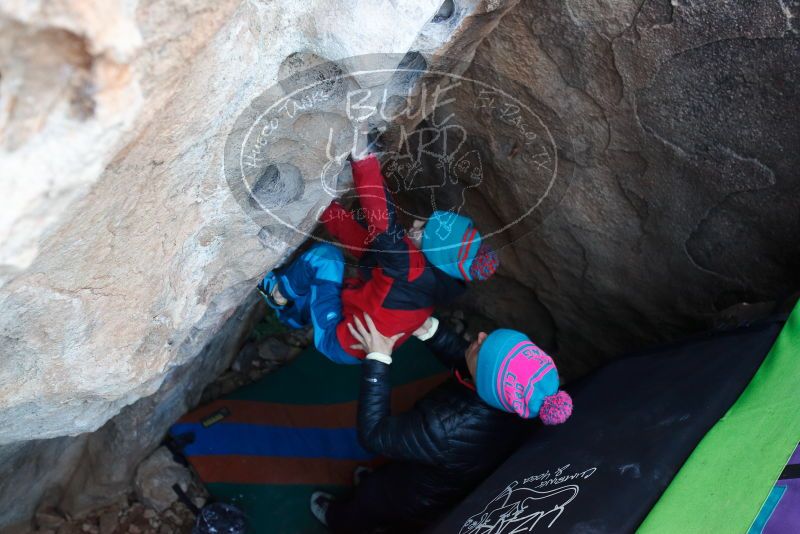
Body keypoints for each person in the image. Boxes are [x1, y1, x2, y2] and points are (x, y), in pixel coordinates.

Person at [309, 314, 573, 532]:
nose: (480, 336)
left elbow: (374, 434)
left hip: (416, 494)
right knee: (384, 478)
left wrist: (377, 360)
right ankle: (370, 485)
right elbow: (473, 364)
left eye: (483, 346)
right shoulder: (518, 401)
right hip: (442, 469)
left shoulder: (446, 428)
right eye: (488, 337)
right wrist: (429, 330)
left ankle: (338, 518)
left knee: (372, 501)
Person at [258, 153, 499, 364]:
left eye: (423, 229)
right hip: (357, 315)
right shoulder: (424, 276)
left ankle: (279, 294)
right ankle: (297, 312)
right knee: (342, 272)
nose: (415, 224)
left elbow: (382, 219)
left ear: (432, 252)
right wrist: (324, 208)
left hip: (338, 339)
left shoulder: (410, 269)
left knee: (327, 260)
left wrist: (364, 159)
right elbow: (366, 246)